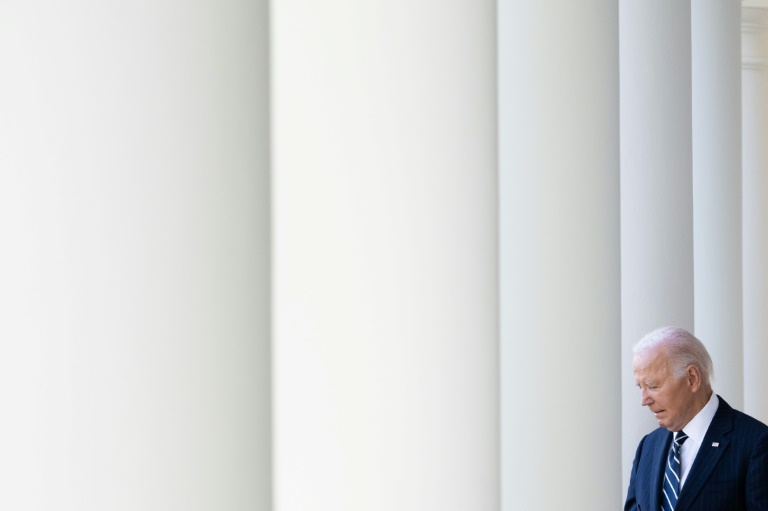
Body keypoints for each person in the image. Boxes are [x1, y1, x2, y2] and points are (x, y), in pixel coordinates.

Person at [625, 326, 768, 511]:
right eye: (640, 387)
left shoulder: (755, 443)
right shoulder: (647, 446)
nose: (644, 400)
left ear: (692, 378)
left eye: (653, 386)